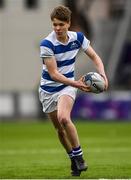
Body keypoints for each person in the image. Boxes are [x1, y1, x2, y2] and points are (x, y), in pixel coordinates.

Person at [39, 5, 108, 176]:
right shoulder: (47, 44)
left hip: (67, 86)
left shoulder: (78, 38)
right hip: (48, 89)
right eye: (54, 24)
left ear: (69, 23)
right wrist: (77, 83)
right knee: (60, 131)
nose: (57, 28)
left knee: (64, 118)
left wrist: (102, 74)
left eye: (61, 24)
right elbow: (54, 74)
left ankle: (80, 157)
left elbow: (94, 56)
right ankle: (73, 159)